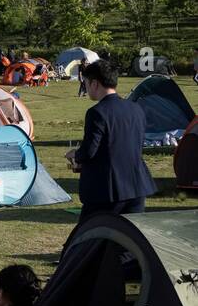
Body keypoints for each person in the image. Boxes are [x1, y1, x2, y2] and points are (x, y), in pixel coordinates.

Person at [64, 60, 155, 221]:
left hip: (107, 190)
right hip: (136, 185)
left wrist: (75, 155)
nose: (85, 87)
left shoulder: (97, 112)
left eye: (85, 83)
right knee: (130, 240)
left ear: (94, 83)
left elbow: (89, 151)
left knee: (89, 238)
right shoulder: (135, 108)